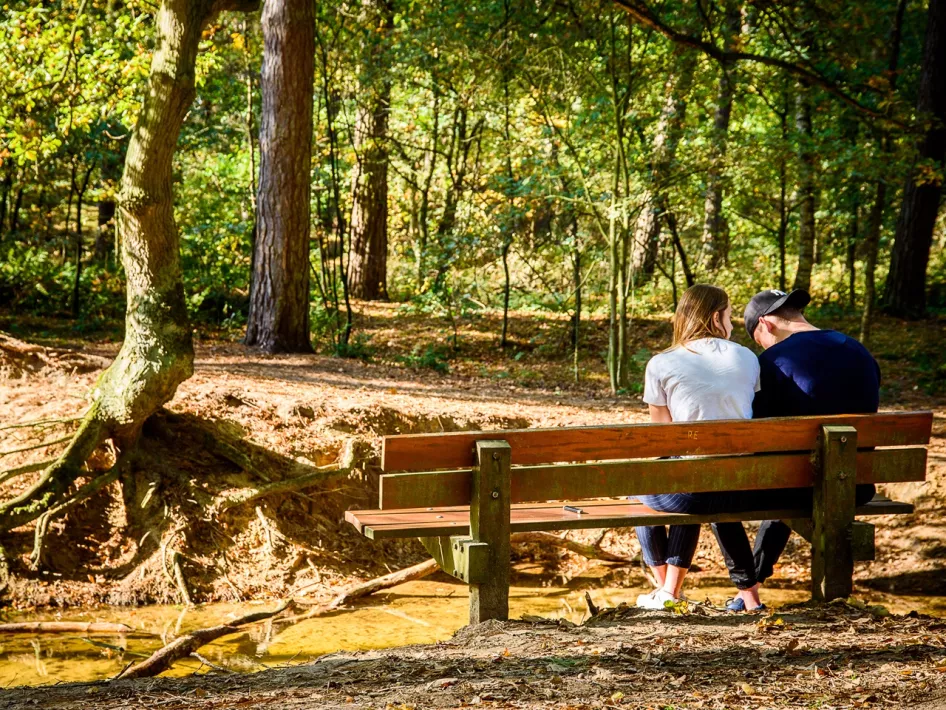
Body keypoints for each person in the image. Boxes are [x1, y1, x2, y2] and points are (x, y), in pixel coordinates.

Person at [710, 288, 881, 611]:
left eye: (757, 338)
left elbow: (759, 434)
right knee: (796, 476)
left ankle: (747, 589)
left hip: (797, 484)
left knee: (783, 479)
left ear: (766, 325)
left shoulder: (774, 361)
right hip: (856, 484)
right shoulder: (858, 351)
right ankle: (752, 585)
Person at [634, 284, 760, 610]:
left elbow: (661, 438)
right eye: (730, 315)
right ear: (717, 316)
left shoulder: (661, 363)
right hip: (742, 484)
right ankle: (744, 599)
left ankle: (666, 589)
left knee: (645, 488)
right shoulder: (748, 358)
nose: (731, 324)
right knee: (695, 484)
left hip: (692, 486)